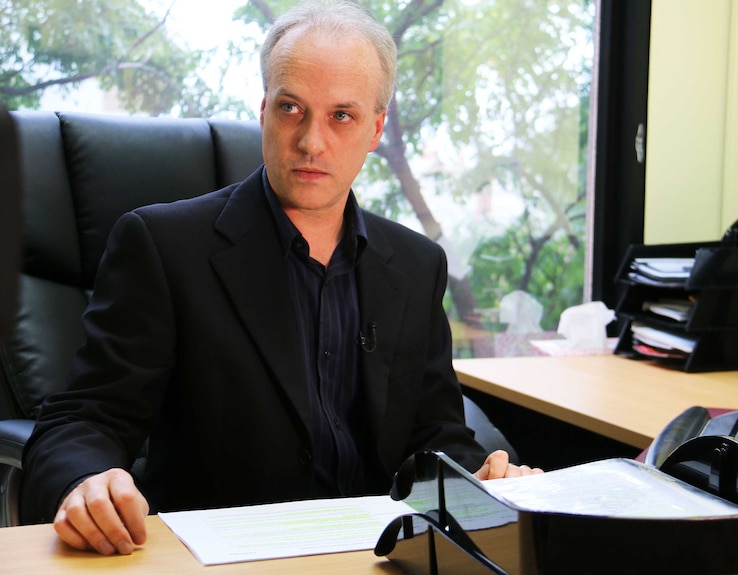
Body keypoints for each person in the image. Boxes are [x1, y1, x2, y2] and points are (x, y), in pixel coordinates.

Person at [20, 0, 540, 557]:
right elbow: (86, 418)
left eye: (342, 115)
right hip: (217, 558)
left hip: (375, 557)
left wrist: (486, 480)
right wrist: (84, 481)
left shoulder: (416, 265)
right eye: (292, 108)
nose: (312, 142)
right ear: (265, 109)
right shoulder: (164, 246)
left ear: (375, 128)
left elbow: (436, 435)